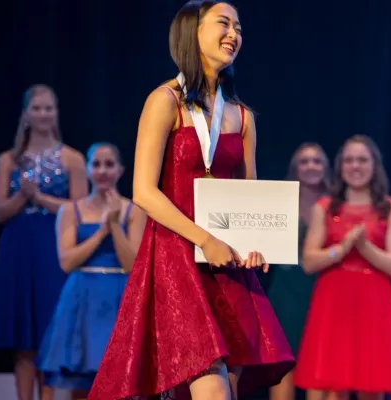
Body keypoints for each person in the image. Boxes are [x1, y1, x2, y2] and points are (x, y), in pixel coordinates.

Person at [88, 2, 295, 399]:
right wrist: (204, 239)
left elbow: (248, 199)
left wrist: (256, 246)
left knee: (225, 389)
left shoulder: (242, 116)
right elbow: (145, 192)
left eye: (238, 27)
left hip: (227, 267)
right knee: (210, 388)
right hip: (176, 258)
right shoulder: (164, 100)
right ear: (192, 32)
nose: (234, 34)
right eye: (224, 24)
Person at [0, 84, 89, 400]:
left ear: (56, 113)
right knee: (23, 342)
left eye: (49, 108)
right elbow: (0, 212)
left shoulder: (72, 159)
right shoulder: (8, 161)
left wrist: (39, 197)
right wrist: (21, 196)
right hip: (18, 249)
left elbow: (80, 210)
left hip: (54, 248)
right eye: (37, 108)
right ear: (26, 114)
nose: (43, 114)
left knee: (51, 335)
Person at [294, 135, 391, 400]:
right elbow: (309, 261)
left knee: (371, 381)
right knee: (333, 381)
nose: (355, 166)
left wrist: (364, 248)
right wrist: (342, 249)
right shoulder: (324, 208)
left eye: (362, 160)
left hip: (373, 301)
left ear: (374, 165)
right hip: (333, 300)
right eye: (349, 160)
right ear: (340, 166)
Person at [37, 142, 146, 400]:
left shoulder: (133, 211)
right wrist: (102, 231)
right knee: (81, 377)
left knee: (120, 380)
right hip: (82, 296)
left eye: (109, 164)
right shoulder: (70, 210)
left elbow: (133, 265)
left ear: (120, 170)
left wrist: (116, 225)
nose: (103, 170)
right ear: (87, 169)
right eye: (96, 164)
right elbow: (66, 262)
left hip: (119, 296)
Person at [266, 142, 331, 400]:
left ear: (326, 168)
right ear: (295, 167)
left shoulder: (335, 203)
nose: (311, 166)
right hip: (285, 288)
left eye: (317, 161)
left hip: (323, 287)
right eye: (304, 161)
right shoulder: (279, 200)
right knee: (284, 363)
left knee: (321, 361)